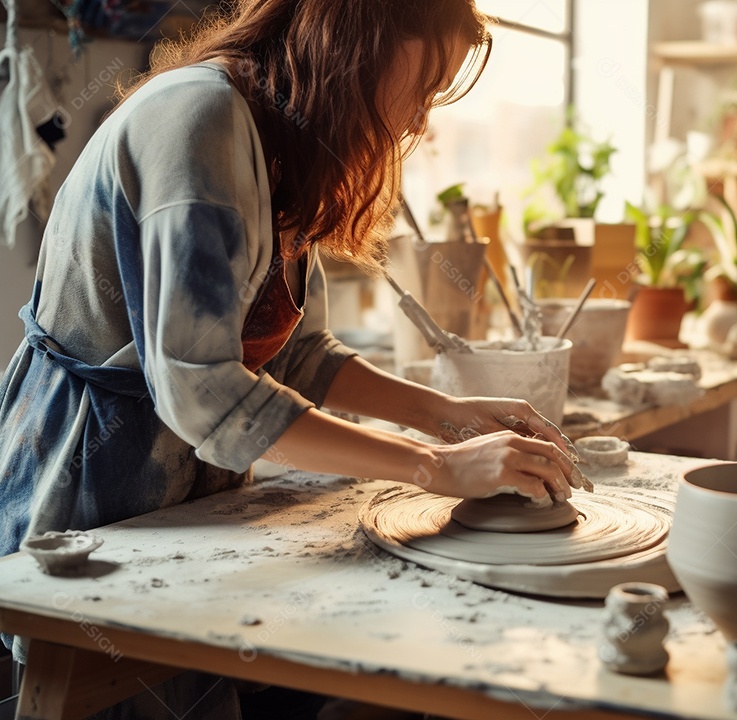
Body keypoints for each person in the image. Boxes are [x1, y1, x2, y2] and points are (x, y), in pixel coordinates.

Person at [0, 0, 579, 715]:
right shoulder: (199, 117)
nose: (421, 122)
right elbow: (202, 387)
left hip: (190, 490)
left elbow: (295, 351)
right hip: (91, 480)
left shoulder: (279, 139)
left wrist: (447, 415)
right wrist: (435, 467)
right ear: (361, 41)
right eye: (426, 87)